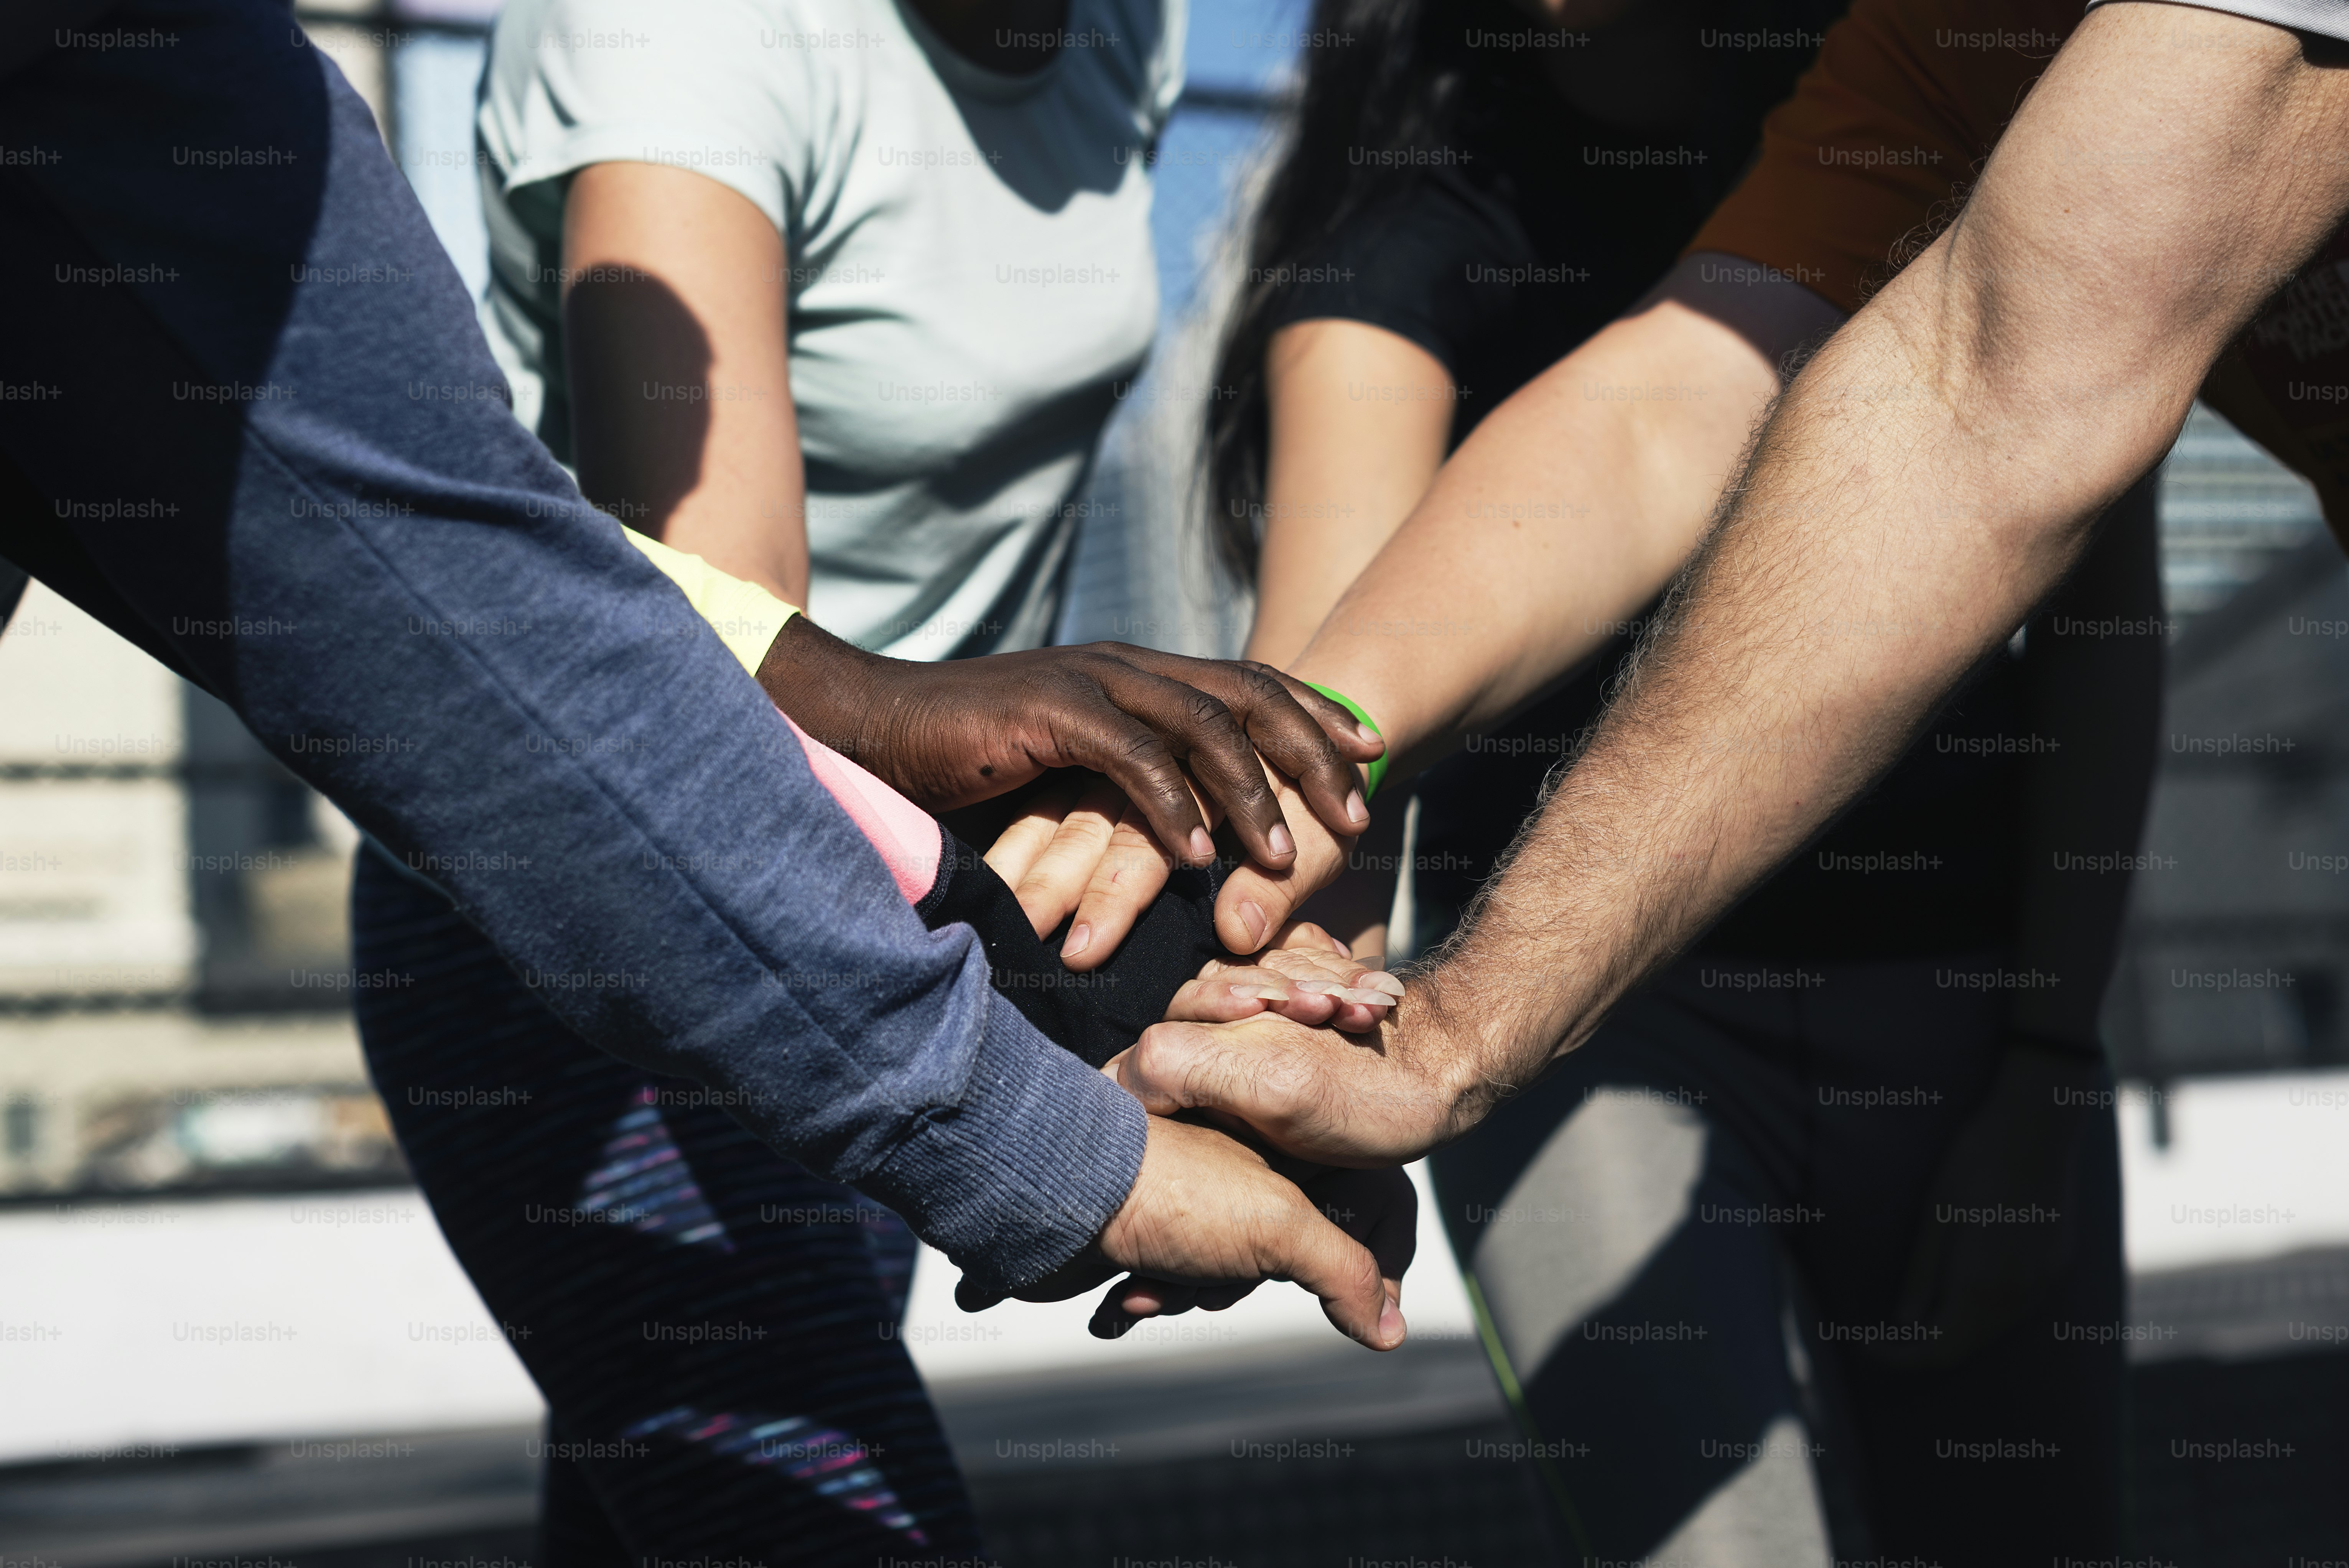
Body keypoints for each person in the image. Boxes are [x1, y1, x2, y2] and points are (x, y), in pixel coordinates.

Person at [0, 0, 1407, 1536]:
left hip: (913, 915)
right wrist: (1059, 1145)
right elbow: (416, 561)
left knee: (685, 1507)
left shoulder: (1129, 36)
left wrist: (1163, 935)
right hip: (612, 899)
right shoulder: (678, 34)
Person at [1112, 5, 2349, 1545]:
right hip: (1617, 1022)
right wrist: (1295, 911)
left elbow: (2019, 440)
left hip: (1948, 982)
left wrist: (2045, 1048)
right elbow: (1690, 407)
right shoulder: (1913, 61)